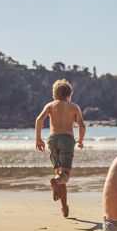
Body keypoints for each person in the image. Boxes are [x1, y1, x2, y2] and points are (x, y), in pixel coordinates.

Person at [35, 79, 86, 217]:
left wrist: (38, 139)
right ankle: (55, 181)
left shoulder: (50, 105)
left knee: (60, 173)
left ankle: (64, 207)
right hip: (67, 140)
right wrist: (80, 140)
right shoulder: (74, 107)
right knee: (65, 176)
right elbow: (82, 125)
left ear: (54, 94)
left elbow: (39, 120)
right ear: (69, 94)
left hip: (52, 140)